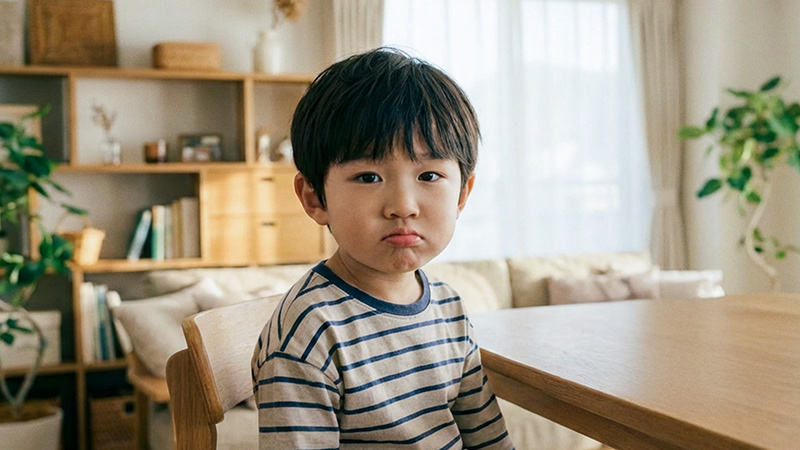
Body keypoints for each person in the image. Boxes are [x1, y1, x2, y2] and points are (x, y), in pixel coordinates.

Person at [251, 47, 514, 449]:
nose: (403, 206)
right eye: (369, 177)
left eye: (429, 175)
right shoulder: (309, 333)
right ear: (315, 198)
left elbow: (488, 438)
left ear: (463, 193)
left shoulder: (448, 306)